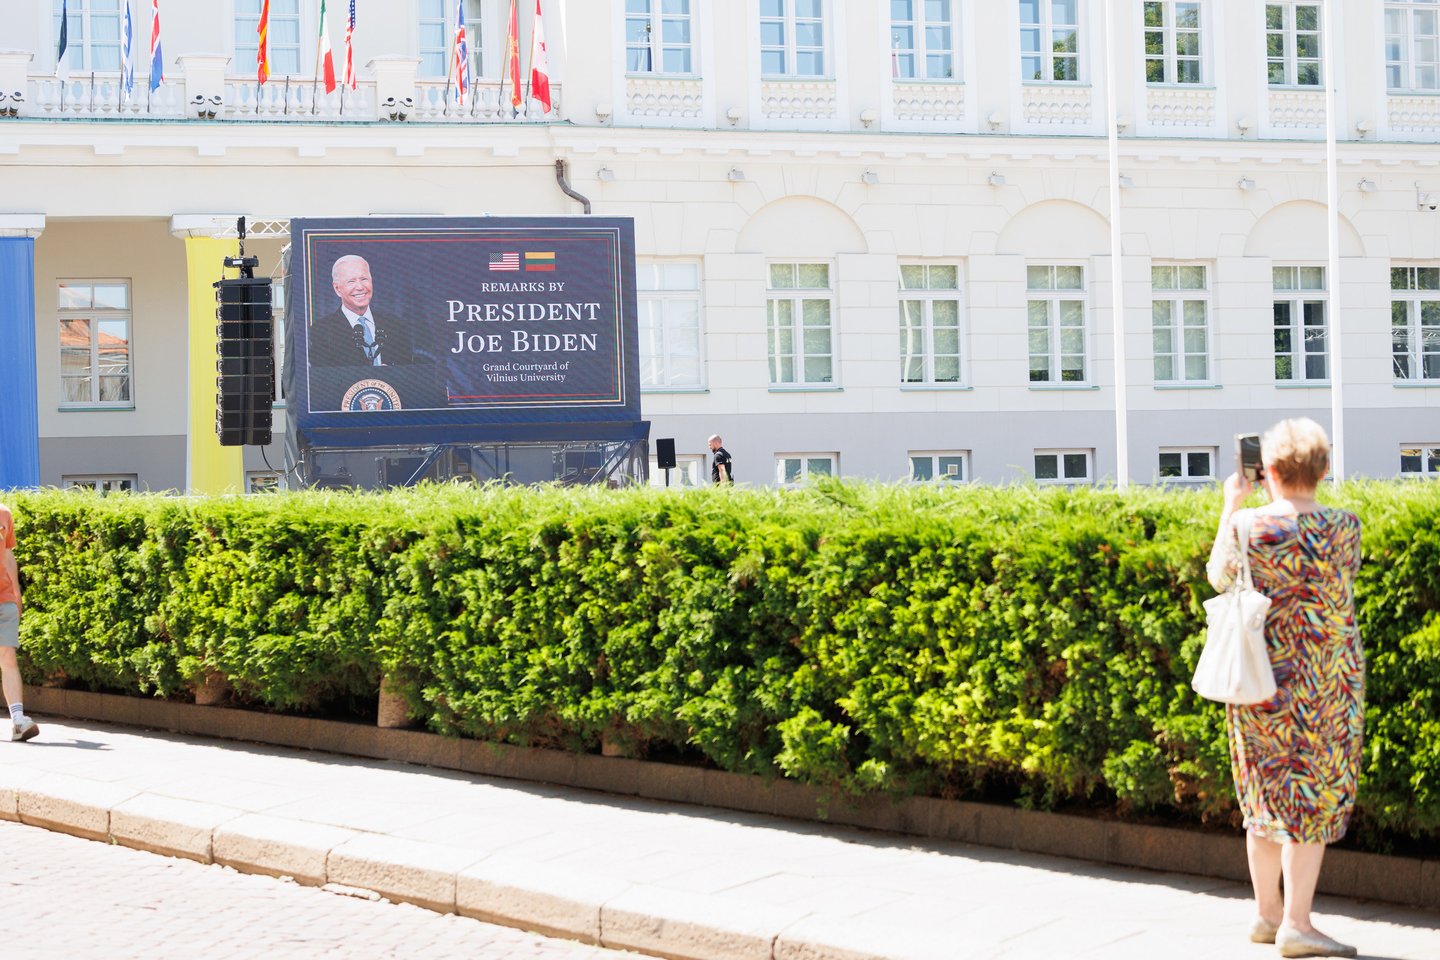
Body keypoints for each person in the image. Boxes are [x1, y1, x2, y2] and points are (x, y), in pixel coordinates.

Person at [1207, 418, 1363, 959]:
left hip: (1261, 682)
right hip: (1326, 684)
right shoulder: (1345, 527)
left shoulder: (1247, 526)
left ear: (1267, 469)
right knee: (1310, 799)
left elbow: (1219, 577)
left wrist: (1233, 503)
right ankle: (1297, 923)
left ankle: (1268, 914)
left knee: (1266, 792)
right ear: (1323, 468)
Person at [309, 255, 416, 369]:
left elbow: (409, 371)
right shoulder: (321, 331)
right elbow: (323, 376)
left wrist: (391, 374)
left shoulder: (395, 324)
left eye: (364, 279)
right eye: (351, 281)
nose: (360, 287)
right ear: (337, 289)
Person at [0, 501, 38, 743]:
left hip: (3, 599)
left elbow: (8, 555)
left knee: (8, 657)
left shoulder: (4, 513)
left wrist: (16, 592)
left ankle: (18, 721)